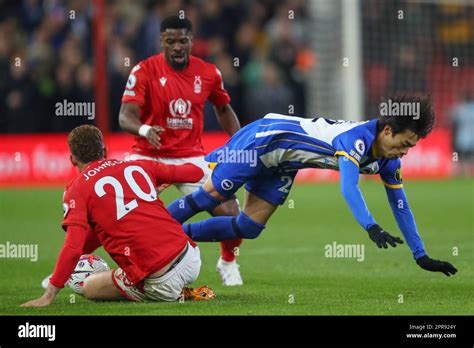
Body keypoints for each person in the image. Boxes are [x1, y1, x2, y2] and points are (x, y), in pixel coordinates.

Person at [167, 96, 458, 277]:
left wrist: (420, 255)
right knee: (213, 195)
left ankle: (173, 236)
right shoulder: (356, 139)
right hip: (264, 139)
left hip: (283, 162)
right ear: (387, 131)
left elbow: (400, 204)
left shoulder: (389, 161)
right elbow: (348, 188)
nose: (404, 152)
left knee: (250, 226)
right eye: (403, 144)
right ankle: (152, 228)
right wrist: (370, 225)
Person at [22, 125, 215, 307]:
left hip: (160, 280)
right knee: (107, 225)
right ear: (104, 150)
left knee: (88, 286)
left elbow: (73, 246)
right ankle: (178, 290)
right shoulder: (137, 166)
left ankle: (180, 295)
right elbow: (194, 171)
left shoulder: (77, 189)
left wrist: (49, 295)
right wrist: (149, 190)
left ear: (72, 159)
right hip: (191, 258)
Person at [118, 15, 244, 286]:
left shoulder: (209, 73)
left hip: (191, 158)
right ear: (161, 41)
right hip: (147, 155)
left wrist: (241, 142)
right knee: (116, 211)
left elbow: (222, 108)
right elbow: (125, 116)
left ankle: (228, 262)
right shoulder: (143, 70)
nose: (177, 46)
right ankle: (78, 264)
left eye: (183, 41)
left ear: (191, 41)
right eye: (171, 41)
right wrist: (144, 130)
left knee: (232, 213)